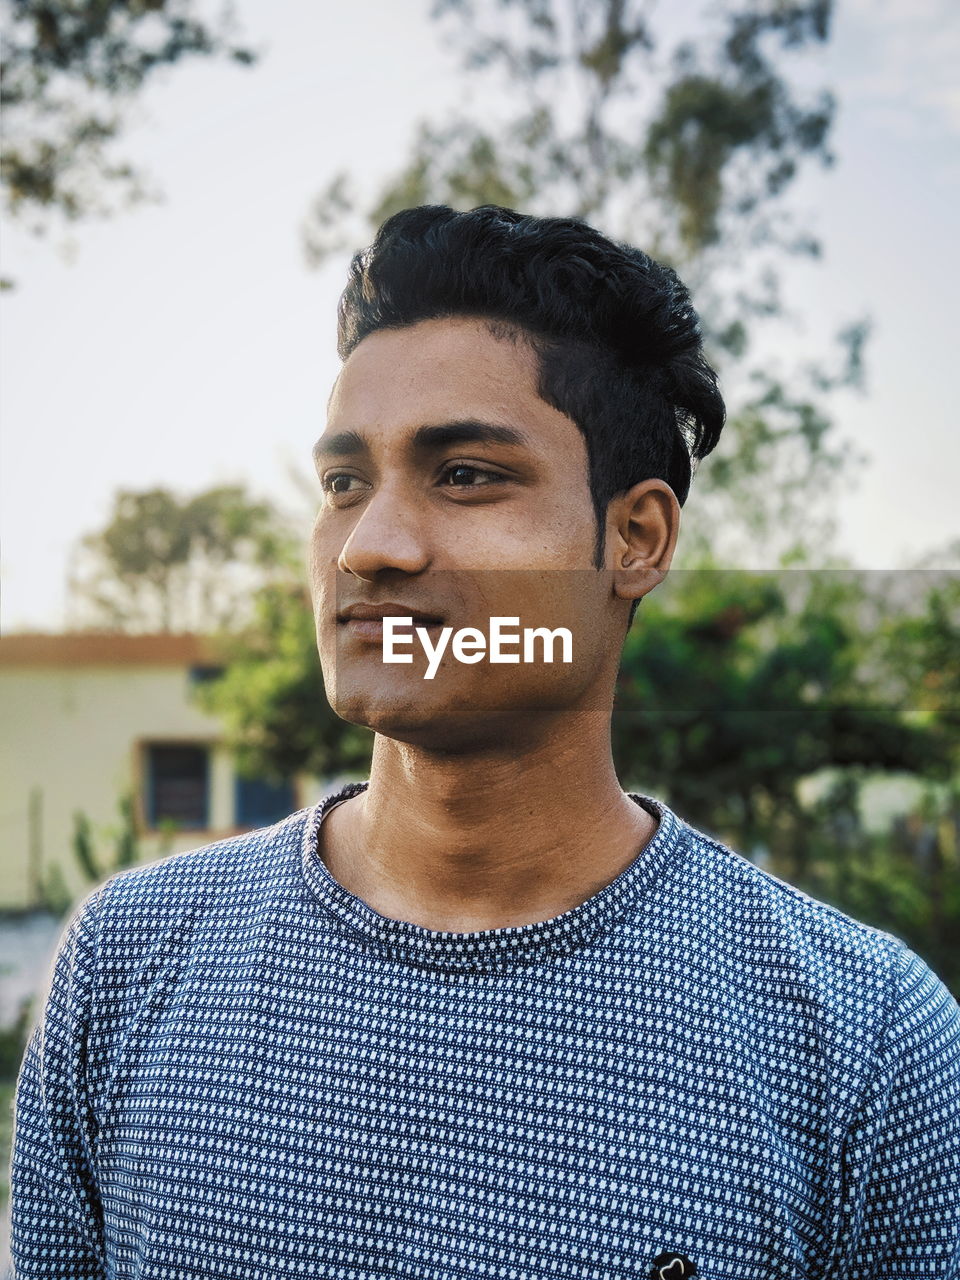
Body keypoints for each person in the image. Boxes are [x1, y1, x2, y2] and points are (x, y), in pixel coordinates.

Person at [10, 205, 959, 1278]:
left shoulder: (862, 1034)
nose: (370, 546)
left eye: (464, 474)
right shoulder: (130, 962)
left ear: (634, 538)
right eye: (343, 483)